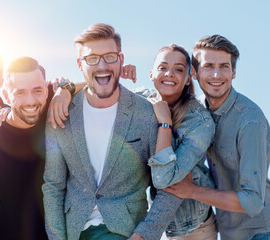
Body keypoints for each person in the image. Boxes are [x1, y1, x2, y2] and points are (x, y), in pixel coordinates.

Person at [42, 23, 181, 240]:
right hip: (73, 231)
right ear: (80, 64)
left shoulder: (146, 113)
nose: (102, 65)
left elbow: (169, 189)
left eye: (109, 56)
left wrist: (144, 235)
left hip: (124, 232)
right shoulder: (61, 112)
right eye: (92, 58)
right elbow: (53, 186)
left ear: (121, 60)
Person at [164, 35, 270, 240]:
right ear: (194, 72)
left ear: (234, 71)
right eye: (208, 66)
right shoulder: (197, 112)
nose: (216, 74)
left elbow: (253, 202)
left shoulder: (250, 120)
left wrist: (192, 191)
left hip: (260, 232)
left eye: (224, 66)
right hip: (226, 232)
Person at [0, 56, 62, 240]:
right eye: (20, 93)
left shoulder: (50, 109)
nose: (30, 101)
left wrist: (66, 90)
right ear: (6, 96)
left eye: (37, 90)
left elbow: (91, 82)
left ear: (46, 90)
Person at [142, 44, 217, 239]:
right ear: (151, 74)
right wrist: (66, 88)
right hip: (164, 225)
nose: (169, 74)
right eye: (162, 67)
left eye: (179, 69)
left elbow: (164, 179)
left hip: (196, 227)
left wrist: (165, 124)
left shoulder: (200, 122)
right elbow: (104, 91)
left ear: (187, 78)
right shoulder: (143, 102)